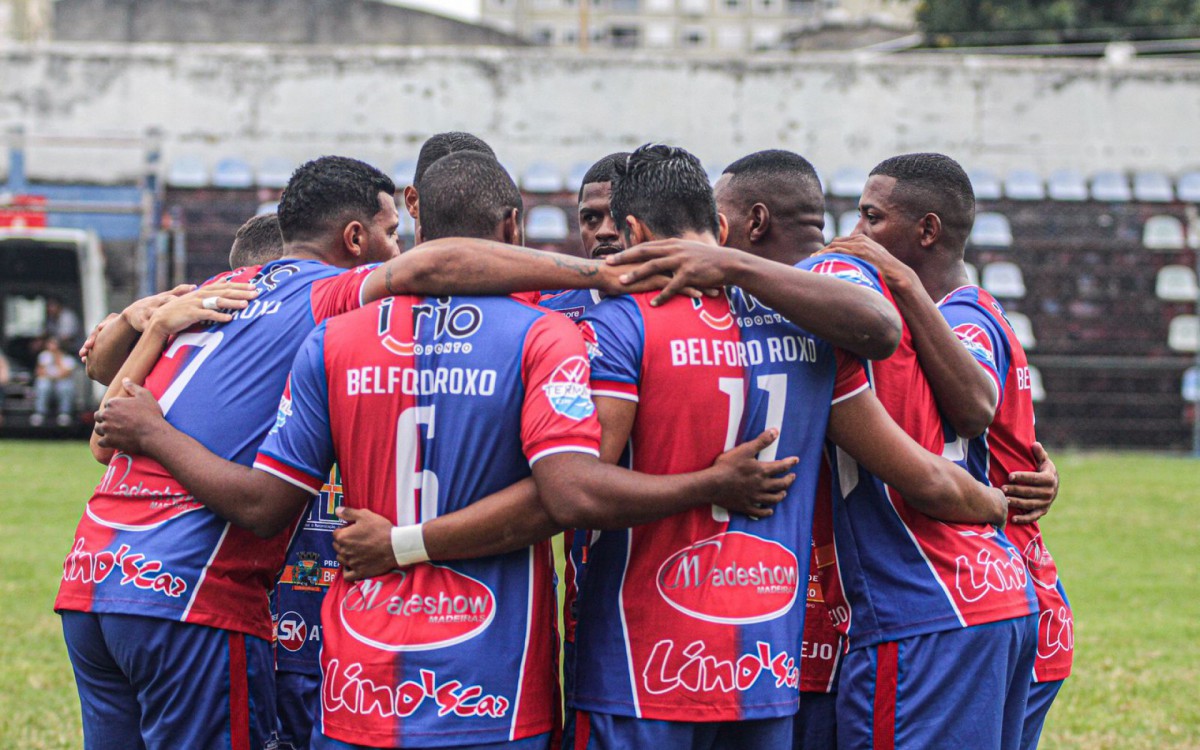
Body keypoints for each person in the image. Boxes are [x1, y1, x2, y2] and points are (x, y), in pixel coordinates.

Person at [95, 149, 799, 749]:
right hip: (499, 683)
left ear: (421, 218)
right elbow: (568, 494)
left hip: (354, 677)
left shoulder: (331, 337)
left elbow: (254, 490)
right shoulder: (546, 333)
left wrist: (140, 330)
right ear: (512, 229)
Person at [563, 144, 1010, 750]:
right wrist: (996, 503)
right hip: (766, 668)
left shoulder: (616, 323)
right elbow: (924, 464)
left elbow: (574, 489)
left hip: (640, 668)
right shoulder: (807, 328)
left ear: (635, 229)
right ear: (717, 226)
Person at [55, 154, 402, 749]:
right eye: (393, 233)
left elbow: (104, 424)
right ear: (354, 237)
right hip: (199, 596)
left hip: (96, 581)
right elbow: (259, 503)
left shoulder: (220, 296)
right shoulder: (327, 297)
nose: (400, 248)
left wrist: (151, 324)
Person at [832, 152, 1071, 750]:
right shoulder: (966, 314)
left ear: (927, 231)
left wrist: (905, 283)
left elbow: (974, 406)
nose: (858, 234)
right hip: (1004, 592)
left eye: (871, 218)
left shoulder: (960, 320)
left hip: (962, 591)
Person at [31, 337, 76, 426]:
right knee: (42, 385)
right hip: (48, 382)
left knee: (65, 386)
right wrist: (50, 376)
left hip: (61, 382)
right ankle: (40, 413)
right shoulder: (43, 356)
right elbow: (39, 372)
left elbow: (66, 374)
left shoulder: (67, 359)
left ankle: (64, 413)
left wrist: (57, 359)